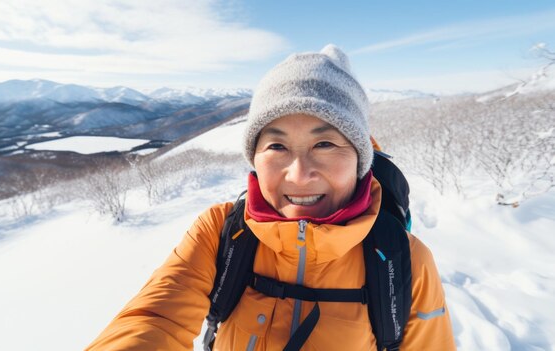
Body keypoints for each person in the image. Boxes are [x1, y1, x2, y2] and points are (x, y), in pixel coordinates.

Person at [86, 44, 456, 350]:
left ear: (360, 158)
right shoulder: (221, 232)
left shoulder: (402, 259)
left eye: (325, 143)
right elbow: (154, 320)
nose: (298, 174)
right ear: (254, 158)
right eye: (277, 145)